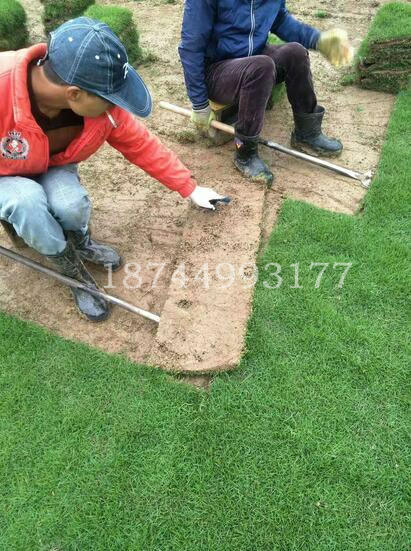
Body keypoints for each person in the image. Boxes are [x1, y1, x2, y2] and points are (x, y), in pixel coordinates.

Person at [0, 17, 227, 323]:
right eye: (110, 100)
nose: (115, 107)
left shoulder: (101, 109)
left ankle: (81, 243)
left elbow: (141, 145)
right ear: (74, 94)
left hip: (51, 165)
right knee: (28, 204)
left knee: (71, 206)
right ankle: (73, 274)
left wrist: (191, 188)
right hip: (5, 176)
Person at [179, 0, 353, 186]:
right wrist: (199, 103)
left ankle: (307, 133)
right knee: (262, 66)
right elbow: (191, 47)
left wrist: (316, 40)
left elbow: (280, 20)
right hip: (217, 70)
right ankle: (245, 153)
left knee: (296, 53)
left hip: (255, 57)